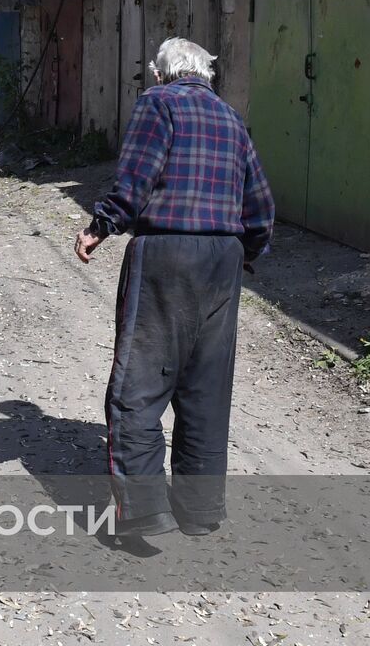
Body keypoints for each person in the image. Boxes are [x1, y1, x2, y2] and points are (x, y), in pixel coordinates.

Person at [74, 37, 274, 540]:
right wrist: (243, 253)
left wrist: (102, 225)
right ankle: (201, 511)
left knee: (137, 385)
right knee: (205, 390)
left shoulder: (157, 103)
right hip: (223, 259)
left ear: (160, 73)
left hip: (167, 252)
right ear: (206, 73)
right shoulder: (232, 119)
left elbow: (137, 173)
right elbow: (261, 206)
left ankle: (143, 511)